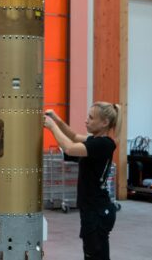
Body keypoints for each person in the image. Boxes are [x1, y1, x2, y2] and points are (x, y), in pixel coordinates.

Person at [44, 102, 121, 260]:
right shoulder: (95, 140)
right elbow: (73, 136)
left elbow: (70, 148)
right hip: (93, 209)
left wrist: (52, 126)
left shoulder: (103, 144)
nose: (86, 120)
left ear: (104, 122)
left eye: (91, 118)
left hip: (97, 212)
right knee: (95, 254)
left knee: (95, 255)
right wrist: (56, 119)